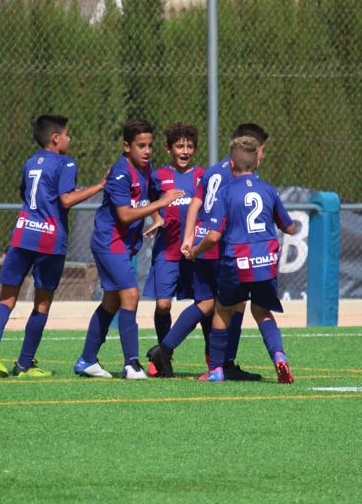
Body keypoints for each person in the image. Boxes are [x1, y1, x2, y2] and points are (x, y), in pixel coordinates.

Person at [0, 114, 105, 378]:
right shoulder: (66, 163)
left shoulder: (30, 162)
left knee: (7, 297)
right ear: (55, 137)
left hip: (22, 234)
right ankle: (25, 364)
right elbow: (66, 200)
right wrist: (100, 185)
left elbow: (23, 193)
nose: (69, 139)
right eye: (67, 134)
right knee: (42, 303)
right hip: (49, 240)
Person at [147, 124, 269, 381]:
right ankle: (224, 364)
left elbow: (196, 203)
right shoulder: (237, 174)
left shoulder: (212, 170)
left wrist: (190, 236)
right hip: (218, 246)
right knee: (232, 303)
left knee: (208, 303)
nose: (263, 157)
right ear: (248, 148)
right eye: (262, 151)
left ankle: (167, 350)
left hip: (202, 243)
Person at [74, 119, 185, 379]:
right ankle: (131, 364)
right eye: (140, 146)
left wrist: (158, 215)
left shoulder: (146, 170)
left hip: (123, 245)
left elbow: (149, 198)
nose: (147, 151)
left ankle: (87, 360)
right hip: (109, 243)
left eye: (150, 145)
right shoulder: (121, 173)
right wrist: (162, 202)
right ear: (127, 146)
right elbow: (124, 215)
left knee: (111, 301)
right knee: (131, 297)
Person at [188, 135, 297, 383]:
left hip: (237, 260)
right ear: (257, 164)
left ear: (232, 165)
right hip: (265, 261)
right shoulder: (268, 189)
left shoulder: (226, 193)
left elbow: (214, 235)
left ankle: (215, 369)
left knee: (222, 310)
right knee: (262, 312)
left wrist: (196, 251)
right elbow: (289, 228)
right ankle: (279, 356)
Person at [142, 122, 206, 376]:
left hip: (195, 252)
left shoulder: (202, 175)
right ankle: (164, 354)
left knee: (205, 304)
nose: (185, 150)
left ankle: (213, 359)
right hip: (166, 251)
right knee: (163, 306)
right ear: (168, 149)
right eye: (179, 146)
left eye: (189, 146)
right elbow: (150, 200)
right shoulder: (158, 176)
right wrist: (157, 216)